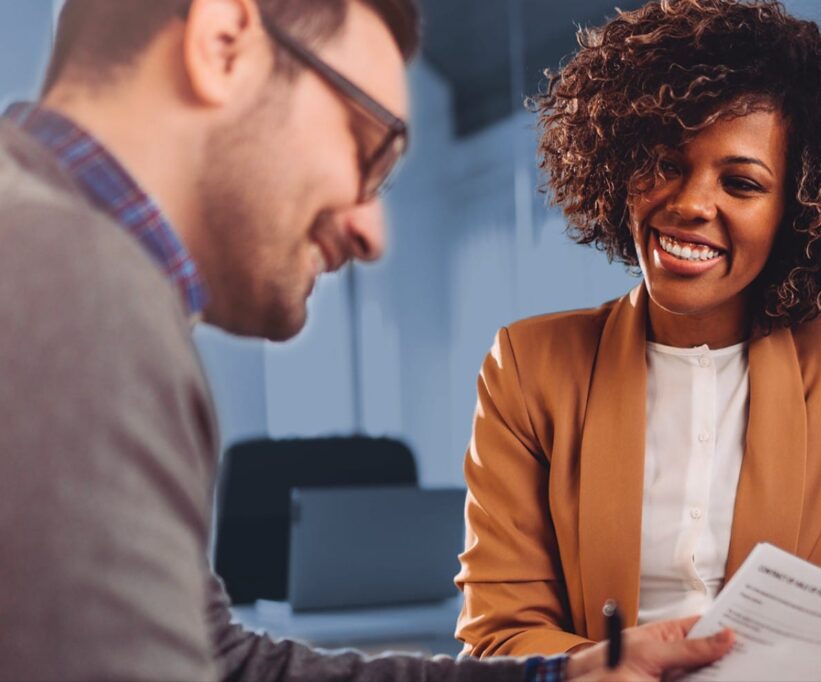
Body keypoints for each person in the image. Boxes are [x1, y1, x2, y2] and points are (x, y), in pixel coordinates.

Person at [0, 0, 737, 680]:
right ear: (223, 44)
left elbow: (225, 664)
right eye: (367, 150)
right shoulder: (79, 289)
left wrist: (560, 675)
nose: (372, 232)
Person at [454, 0, 821, 680]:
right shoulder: (529, 367)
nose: (688, 203)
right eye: (664, 163)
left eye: (740, 183)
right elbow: (500, 634)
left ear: (797, 208)